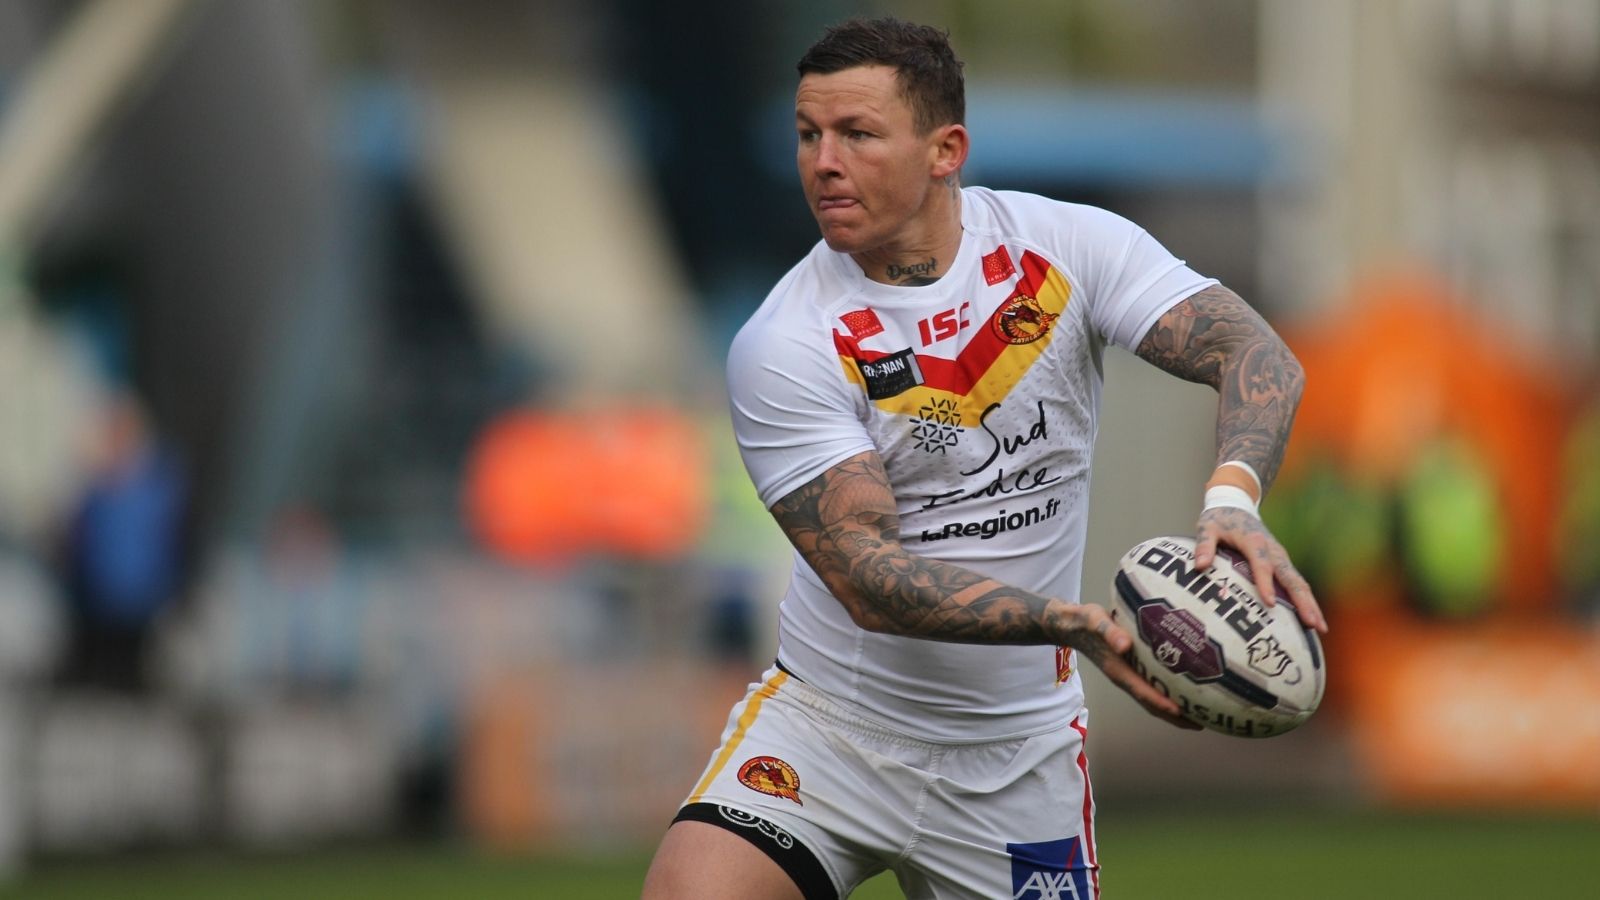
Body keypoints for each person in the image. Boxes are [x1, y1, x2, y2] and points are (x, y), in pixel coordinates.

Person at [643, 17, 1326, 900]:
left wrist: (1233, 502)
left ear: (944, 149)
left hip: (1018, 757)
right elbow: (870, 579)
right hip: (830, 730)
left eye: (857, 134)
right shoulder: (785, 340)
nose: (823, 162)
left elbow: (1255, 356)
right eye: (808, 135)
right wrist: (1064, 621)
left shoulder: (1070, 249)